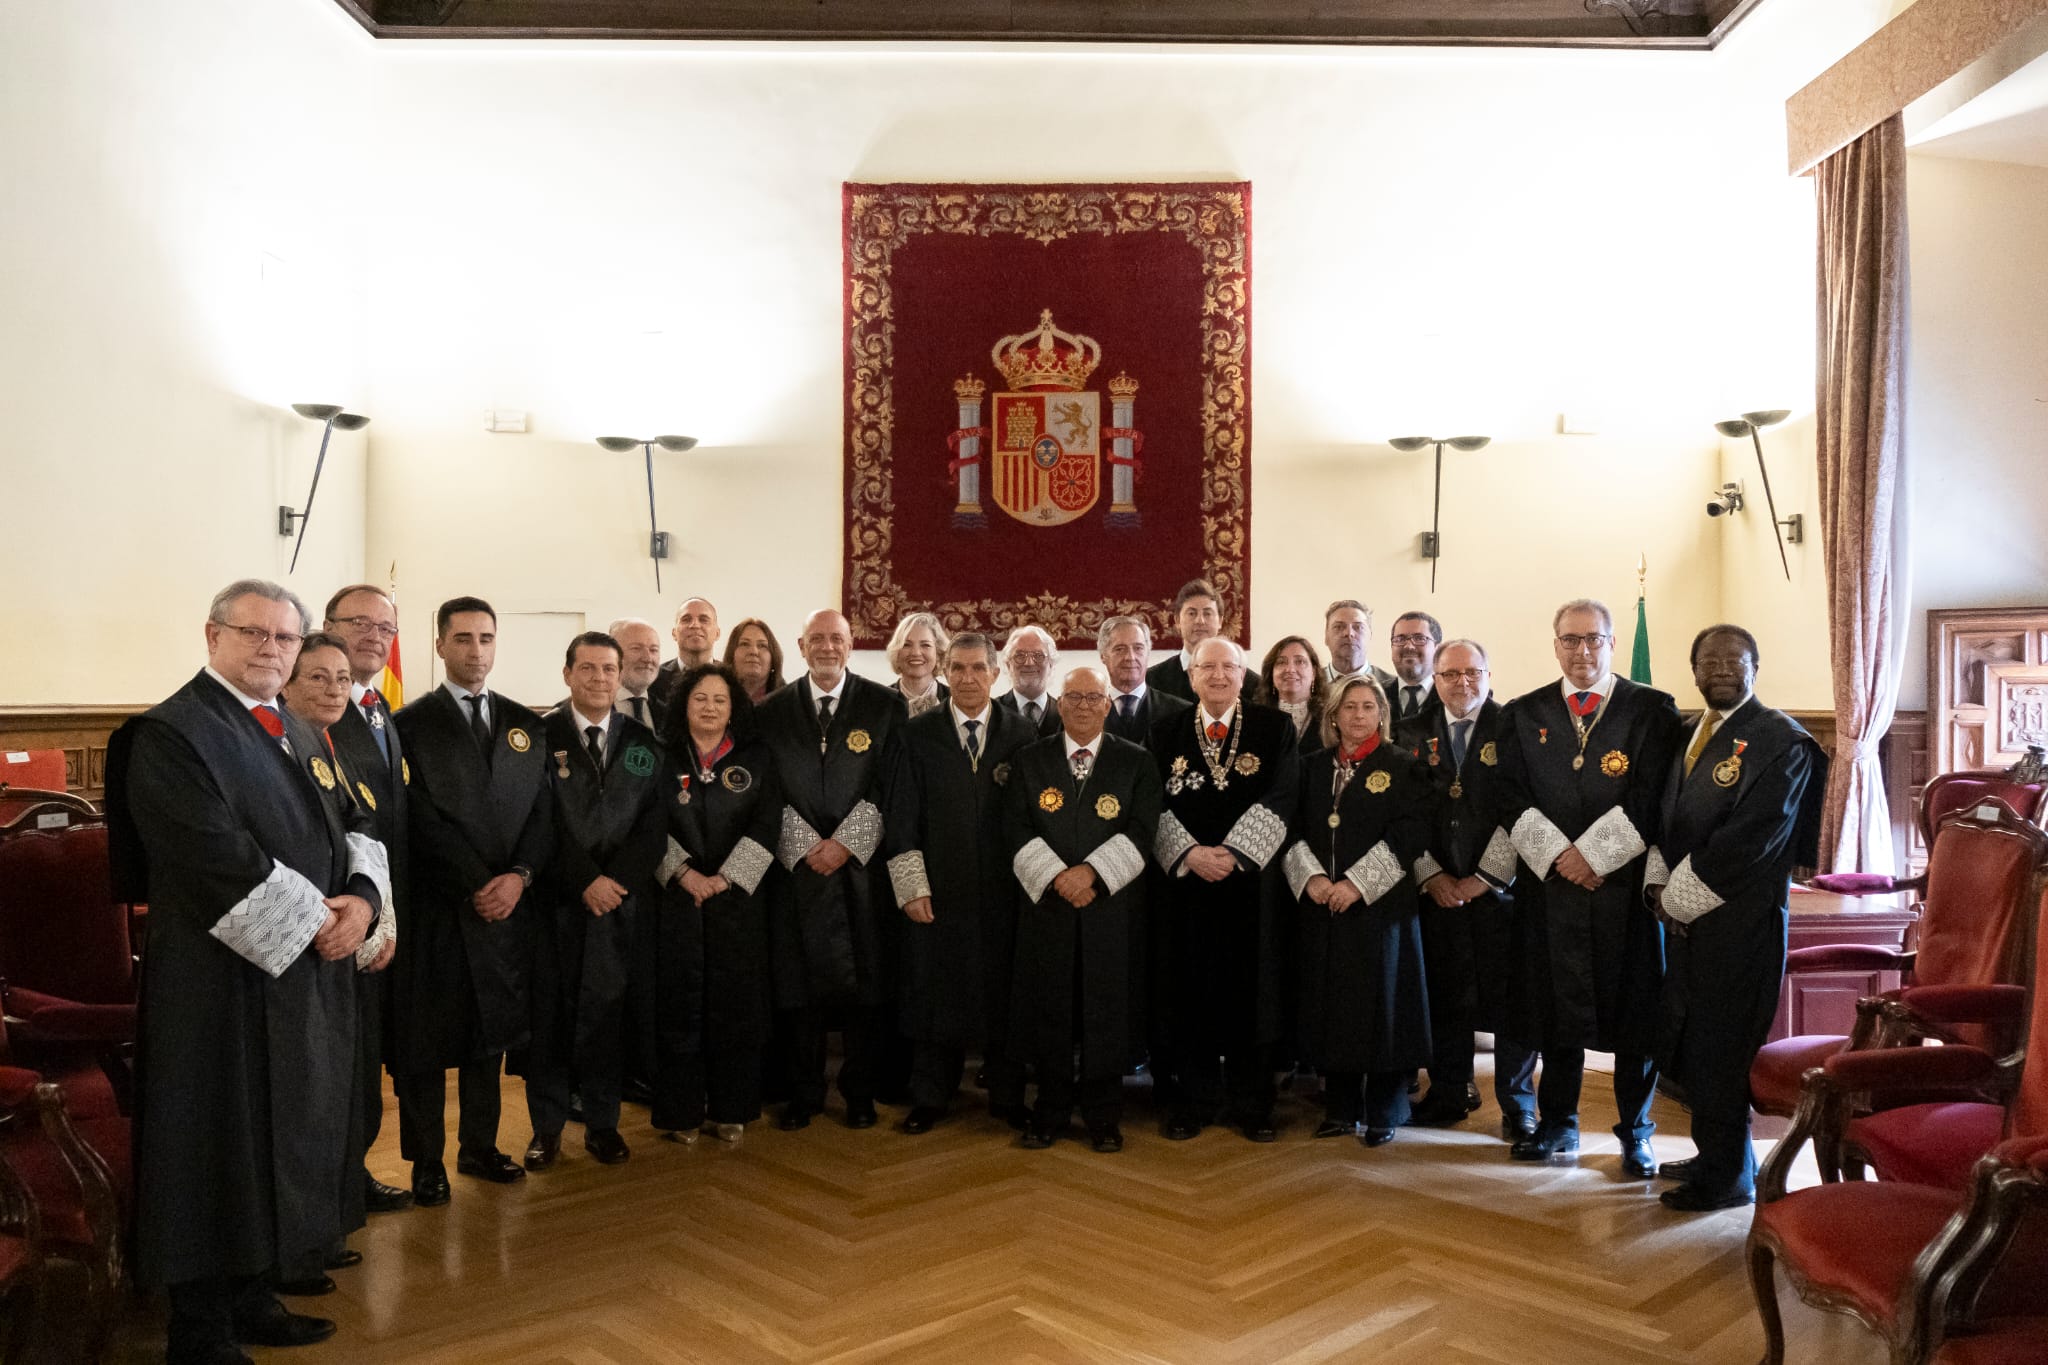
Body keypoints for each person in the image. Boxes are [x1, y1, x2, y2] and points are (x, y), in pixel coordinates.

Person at [107, 579, 388, 1363]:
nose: (272, 648)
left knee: (277, 1137)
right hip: (216, 983)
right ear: (212, 635)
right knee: (213, 1144)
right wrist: (323, 925)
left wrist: (363, 903)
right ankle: (197, 1327)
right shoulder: (172, 733)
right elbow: (209, 855)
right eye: (254, 633)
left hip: (298, 978)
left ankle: (252, 1292)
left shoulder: (292, 728)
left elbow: (355, 822)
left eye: (286, 639)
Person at [1496, 598, 1682, 1176]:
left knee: (1636, 1019)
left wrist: (1596, 855)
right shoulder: (1523, 713)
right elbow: (1508, 795)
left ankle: (1636, 1132)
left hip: (1621, 892)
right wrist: (1559, 856)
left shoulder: (1651, 709)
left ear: (1611, 643)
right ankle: (1559, 1124)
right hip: (1550, 892)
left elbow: (1655, 795)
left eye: (1594, 640)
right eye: (1571, 640)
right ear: (1555, 645)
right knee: (1555, 1014)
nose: (1582, 651)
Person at [1644, 625, 1825, 1211]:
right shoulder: (1686, 733)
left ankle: (1729, 1181)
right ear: (1693, 669)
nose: (1721, 668)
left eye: (1734, 660)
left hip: (1739, 923)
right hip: (1686, 922)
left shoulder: (1781, 742)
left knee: (1723, 1047)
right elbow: (1661, 815)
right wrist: (1658, 882)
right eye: (1709, 660)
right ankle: (1714, 1155)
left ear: (1755, 667)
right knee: (1695, 1042)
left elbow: (1757, 838)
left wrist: (1679, 897)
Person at [390, 597, 551, 1205]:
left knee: (491, 1037)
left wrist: (520, 876)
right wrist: (473, 882)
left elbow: (541, 811)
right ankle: (427, 1161)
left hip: (508, 908)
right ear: (439, 646)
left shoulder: (523, 723)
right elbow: (416, 818)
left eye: (486, 638)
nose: (475, 651)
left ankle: (480, 1147)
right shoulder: (409, 725)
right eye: (462, 639)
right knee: (426, 1046)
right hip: (441, 908)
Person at [276, 629, 399, 1288]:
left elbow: (364, 831)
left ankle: (321, 1226)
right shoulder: (277, 745)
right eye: (316, 677)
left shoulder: (331, 746)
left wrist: (368, 908)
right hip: (294, 944)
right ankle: (294, 1245)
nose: (332, 689)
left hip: (340, 938)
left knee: (333, 1095)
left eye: (340, 678)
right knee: (303, 1100)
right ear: (285, 684)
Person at [755, 608, 907, 1129]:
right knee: (798, 990)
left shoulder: (885, 705)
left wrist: (845, 844)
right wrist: (805, 844)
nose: (826, 647)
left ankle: (859, 1091)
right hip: (795, 873)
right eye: (816, 639)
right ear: (800, 647)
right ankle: (805, 1093)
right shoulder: (772, 710)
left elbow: (891, 786)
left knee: (865, 989)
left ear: (851, 645)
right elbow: (765, 790)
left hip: (861, 874)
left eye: (836, 639)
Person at [880, 632, 1037, 1133]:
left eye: (978, 669)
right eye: (959, 669)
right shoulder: (916, 734)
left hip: (1005, 892)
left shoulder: (1022, 734)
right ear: (945, 673)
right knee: (933, 990)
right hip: (937, 890)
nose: (968, 678)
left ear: (996, 674)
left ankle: (1009, 1097)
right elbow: (900, 816)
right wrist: (911, 885)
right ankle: (931, 1097)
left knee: (1005, 993)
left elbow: (1036, 818)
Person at [523, 632, 668, 1172]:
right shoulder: (539, 737)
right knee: (552, 1020)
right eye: (588, 669)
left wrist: (616, 883)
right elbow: (538, 822)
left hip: (620, 908)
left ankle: (604, 1126)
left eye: (610, 669)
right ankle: (546, 1129)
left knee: (609, 1018)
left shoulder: (643, 743)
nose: (600, 679)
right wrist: (584, 879)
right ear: (567, 674)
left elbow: (654, 829)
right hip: (558, 904)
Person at [1006, 665, 1162, 1153]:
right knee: (1050, 1009)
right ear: (1059, 703)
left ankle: (1103, 1117)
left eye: (1093, 697)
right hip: (1048, 907)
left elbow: (1142, 828)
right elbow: (1014, 826)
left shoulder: (1135, 761)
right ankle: (1049, 1112)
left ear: (1108, 705)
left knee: (1106, 1012)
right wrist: (1058, 877)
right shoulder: (1030, 759)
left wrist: (1090, 874)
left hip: (1108, 908)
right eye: (1072, 697)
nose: (1082, 706)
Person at [1150, 636, 1301, 1141]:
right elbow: (1150, 804)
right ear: (1190, 676)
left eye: (1228, 666)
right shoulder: (1164, 730)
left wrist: (1233, 854)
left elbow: (1284, 796)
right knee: (1189, 990)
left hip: (1251, 890)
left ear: (1244, 675)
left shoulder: (1273, 728)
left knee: (1251, 993)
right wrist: (1191, 854)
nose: (1217, 675)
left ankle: (1252, 1104)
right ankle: (1194, 1101)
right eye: (1207, 667)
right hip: (1186, 890)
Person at [1395, 639, 1538, 1137]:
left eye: (1472, 672)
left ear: (1488, 675)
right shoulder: (1410, 733)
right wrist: (1431, 875)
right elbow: (1404, 814)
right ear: (1434, 680)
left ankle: (1519, 1106)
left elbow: (1521, 807)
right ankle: (1450, 1091)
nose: (1463, 683)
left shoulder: (1515, 728)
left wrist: (1482, 879)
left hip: (1499, 895)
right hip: (1436, 894)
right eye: (1451, 674)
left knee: (1513, 1003)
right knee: (1446, 996)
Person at [1283, 676, 1431, 1146]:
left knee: (1383, 1008)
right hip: (1324, 908)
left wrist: (1356, 885)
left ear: (1382, 715)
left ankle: (1386, 1110)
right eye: (1349, 707)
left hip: (1381, 910)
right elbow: (1291, 830)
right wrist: (1315, 881)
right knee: (1334, 1008)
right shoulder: (1310, 767)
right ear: (1333, 715)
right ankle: (1342, 1108)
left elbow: (1410, 835)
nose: (1359, 716)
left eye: (1369, 707)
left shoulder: (1403, 766)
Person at [651, 662, 781, 1143]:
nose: (709, 707)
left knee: (736, 1005)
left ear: (734, 708)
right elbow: (645, 823)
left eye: (720, 700)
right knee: (679, 1004)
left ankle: (733, 1108)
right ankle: (681, 1113)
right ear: (684, 702)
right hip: (676, 901)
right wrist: (684, 875)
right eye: (700, 698)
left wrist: (725, 879)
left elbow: (769, 824)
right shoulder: (660, 756)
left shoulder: (758, 756)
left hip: (737, 902)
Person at [320, 585, 413, 1214]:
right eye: (360, 623)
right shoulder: (317, 711)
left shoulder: (378, 709)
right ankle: (331, 1186)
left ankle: (351, 1174)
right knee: (337, 1061)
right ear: (326, 627)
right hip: (341, 913)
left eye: (385, 628)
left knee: (366, 1055)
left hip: (382, 910)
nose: (374, 637)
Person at [1145, 578, 1258, 706]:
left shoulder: (1251, 684)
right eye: (1192, 613)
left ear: (1220, 621)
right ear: (1177, 620)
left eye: (1207, 613)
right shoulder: (1151, 681)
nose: (1200, 621)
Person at [1100, 615, 1191, 750]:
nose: (1130, 657)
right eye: (1120, 649)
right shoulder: (1086, 711)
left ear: (1148, 652)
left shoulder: (1181, 712)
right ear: (1103, 656)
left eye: (1138, 648)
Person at [1256, 635, 1326, 753]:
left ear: (1313, 672)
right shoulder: (1256, 718)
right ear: (1271, 673)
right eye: (1281, 662)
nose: (1290, 669)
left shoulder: (1330, 717)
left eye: (1300, 661)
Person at [651, 596, 721, 713]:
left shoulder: (732, 680)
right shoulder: (654, 680)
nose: (695, 625)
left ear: (717, 633)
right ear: (674, 633)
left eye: (703, 619)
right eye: (686, 619)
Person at [995, 624, 1062, 736]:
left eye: (1038, 656)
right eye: (1020, 656)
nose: (1029, 663)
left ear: (1051, 664)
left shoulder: (1066, 715)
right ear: (1008, 665)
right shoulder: (993, 713)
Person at [885, 611, 951, 717]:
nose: (915, 653)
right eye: (906, 645)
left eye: (925, 645)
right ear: (896, 652)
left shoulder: (957, 701)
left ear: (938, 653)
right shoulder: (878, 701)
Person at [1322, 600, 1398, 693]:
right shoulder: (1310, 684)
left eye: (1358, 627)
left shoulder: (1394, 687)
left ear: (1370, 635)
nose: (1349, 633)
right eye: (1339, 627)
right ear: (1326, 637)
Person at [1387, 611, 1444, 726]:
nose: (1408, 646)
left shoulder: (1452, 695)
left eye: (1419, 638)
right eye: (1400, 639)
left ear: (1437, 649)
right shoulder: (1376, 695)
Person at [610, 617, 667, 731]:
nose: (647, 658)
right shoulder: (589, 707)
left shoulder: (668, 713)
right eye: (636, 648)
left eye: (653, 650)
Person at [723, 616, 785, 703]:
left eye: (762, 645)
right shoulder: (716, 699)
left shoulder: (789, 701)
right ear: (731, 654)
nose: (753, 651)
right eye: (744, 644)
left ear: (773, 658)